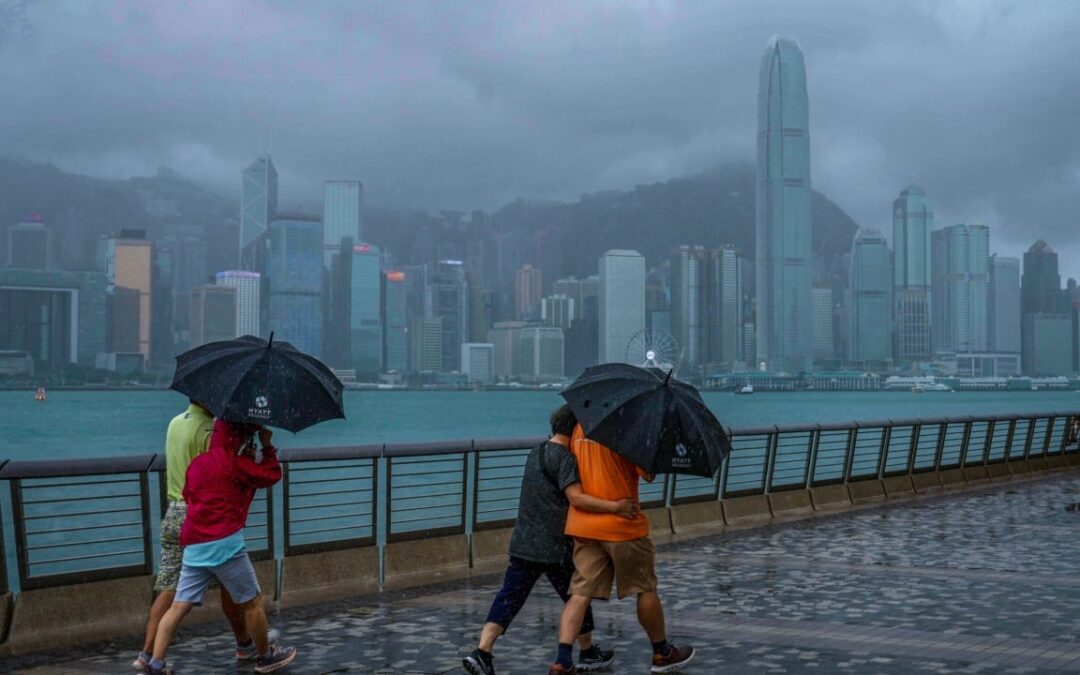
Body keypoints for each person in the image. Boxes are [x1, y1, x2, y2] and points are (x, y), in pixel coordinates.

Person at [464, 404, 638, 675]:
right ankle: (587, 652)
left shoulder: (537, 451)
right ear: (576, 429)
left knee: (509, 598)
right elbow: (576, 497)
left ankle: (482, 651)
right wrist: (616, 507)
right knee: (578, 597)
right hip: (555, 547)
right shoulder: (566, 458)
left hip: (523, 542)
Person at [144, 420, 297, 675]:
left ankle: (155, 664)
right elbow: (271, 475)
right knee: (252, 603)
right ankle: (265, 657)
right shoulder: (235, 464)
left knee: (179, 607)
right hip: (226, 546)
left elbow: (190, 494)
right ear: (237, 438)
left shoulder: (197, 464)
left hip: (194, 545)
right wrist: (267, 448)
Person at [548, 425, 695, 674]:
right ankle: (661, 652)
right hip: (622, 526)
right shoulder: (629, 432)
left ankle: (562, 661)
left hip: (584, 526)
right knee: (645, 588)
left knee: (580, 593)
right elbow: (648, 474)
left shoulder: (580, 429)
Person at [132, 400, 253, 671]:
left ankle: (146, 653)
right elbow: (219, 471)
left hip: (172, 512)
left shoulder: (175, 423)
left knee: (168, 588)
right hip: (200, 515)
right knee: (228, 582)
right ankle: (245, 644)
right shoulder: (208, 430)